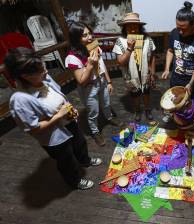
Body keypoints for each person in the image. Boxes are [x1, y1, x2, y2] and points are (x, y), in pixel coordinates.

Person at [5, 47, 102, 190]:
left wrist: (69, 108)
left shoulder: (44, 78)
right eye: (40, 70)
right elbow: (33, 129)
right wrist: (59, 116)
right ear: (25, 76)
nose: (46, 71)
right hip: (54, 137)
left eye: (43, 66)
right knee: (66, 159)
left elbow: (60, 96)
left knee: (80, 143)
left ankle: (85, 160)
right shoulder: (20, 100)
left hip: (68, 121)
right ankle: (74, 181)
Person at [65, 21, 121, 147]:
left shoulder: (94, 46)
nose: (90, 37)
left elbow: (102, 65)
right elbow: (81, 81)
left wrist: (109, 81)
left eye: (90, 33)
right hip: (88, 87)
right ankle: (95, 132)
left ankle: (109, 118)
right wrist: (90, 65)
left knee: (106, 103)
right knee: (93, 111)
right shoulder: (72, 57)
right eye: (84, 35)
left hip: (101, 80)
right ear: (76, 38)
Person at [161, 1, 194, 122]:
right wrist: (167, 69)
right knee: (174, 98)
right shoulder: (174, 33)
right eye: (178, 28)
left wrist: (191, 84)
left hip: (190, 79)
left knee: (188, 102)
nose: (180, 32)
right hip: (176, 76)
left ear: (193, 25)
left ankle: (188, 120)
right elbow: (170, 51)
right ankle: (173, 115)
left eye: (184, 29)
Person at [113, 13, 156, 122]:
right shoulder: (120, 41)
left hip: (145, 72)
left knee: (146, 91)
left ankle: (147, 109)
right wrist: (129, 48)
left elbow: (152, 56)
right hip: (131, 74)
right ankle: (137, 110)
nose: (132, 28)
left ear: (140, 27)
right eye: (129, 25)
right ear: (125, 27)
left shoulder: (147, 40)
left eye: (135, 25)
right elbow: (120, 62)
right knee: (135, 93)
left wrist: (153, 71)